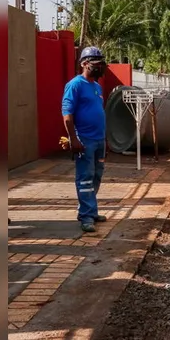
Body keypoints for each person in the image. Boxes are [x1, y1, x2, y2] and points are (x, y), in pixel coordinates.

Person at [62, 46, 109, 233]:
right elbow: (67, 115)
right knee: (85, 178)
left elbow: (98, 113)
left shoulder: (97, 87)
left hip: (99, 140)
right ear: (84, 64)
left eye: (101, 63)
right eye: (95, 63)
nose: (99, 67)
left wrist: (105, 139)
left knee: (96, 176)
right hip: (84, 141)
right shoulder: (75, 85)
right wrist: (73, 139)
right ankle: (86, 216)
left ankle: (90, 209)